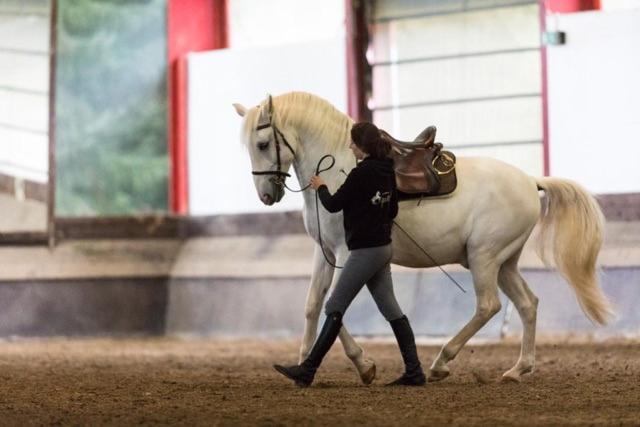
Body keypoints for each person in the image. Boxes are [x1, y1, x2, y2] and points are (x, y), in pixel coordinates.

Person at [273, 122, 426, 387]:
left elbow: (332, 205)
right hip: (383, 248)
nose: (349, 146)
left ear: (362, 146)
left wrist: (320, 185)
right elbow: (392, 213)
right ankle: (415, 372)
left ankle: (308, 370)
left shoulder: (359, 174)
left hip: (365, 252)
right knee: (392, 310)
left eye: (353, 143)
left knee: (333, 307)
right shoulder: (387, 170)